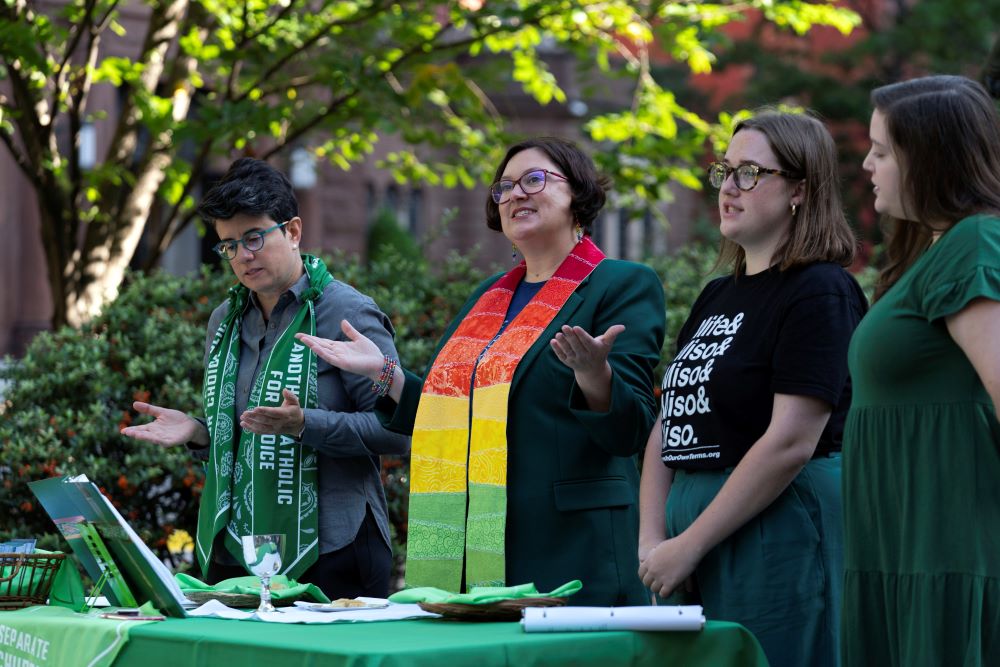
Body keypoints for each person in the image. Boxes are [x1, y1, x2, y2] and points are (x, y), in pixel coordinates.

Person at [297, 137, 665, 605]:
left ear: (578, 193)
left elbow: (631, 431)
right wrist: (383, 371)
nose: (515, 195)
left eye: (534, 180)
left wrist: (594, 373)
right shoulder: (488, 299)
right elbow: (444, 414)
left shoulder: (622, 284)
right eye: (505, 187)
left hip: (576, 544)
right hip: (483, 543)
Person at [637, 111, 867, 667]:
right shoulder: (717, 296)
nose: (729, 188)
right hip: (688, 537)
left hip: (775, 527)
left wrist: (688, 545)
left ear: (799, 190)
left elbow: (791, 440)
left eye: (750, 172)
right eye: (725, 170)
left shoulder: (820, 291)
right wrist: (652, 544)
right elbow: (670, 423)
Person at [121, 158, 409, 599]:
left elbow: (398, 432)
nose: (243, 256)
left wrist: (305, 425)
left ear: (293, 231)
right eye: (229, 246)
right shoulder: (226, 320)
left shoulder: (344, 313)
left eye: (254, 238)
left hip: (333, 548)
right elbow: (248, 434)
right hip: (241, 549)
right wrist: (200, 433)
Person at [842, 75, 1000, 666]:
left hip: (949, 544)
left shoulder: (976, 241)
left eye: (882, 151)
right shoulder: (928, 251)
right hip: (897, 542)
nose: (867, 164)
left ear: (930, 158)